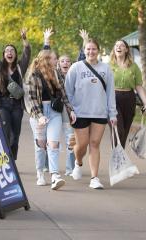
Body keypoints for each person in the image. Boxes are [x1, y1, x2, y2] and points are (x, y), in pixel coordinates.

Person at [65, 38, 117, 189]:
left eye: (94, 49)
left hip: (99, 112)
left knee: (95, 144)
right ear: (84, 50)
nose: (91, 52)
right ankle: (78, 162)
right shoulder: (76, 67)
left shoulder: (106, 69)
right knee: (82, 144)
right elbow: (67, 91)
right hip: (80, 112)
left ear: (98, 51)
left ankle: (94, 178)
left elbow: (110, 93)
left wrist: (112, 114)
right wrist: (71, 110)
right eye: (88, 49)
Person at [27, 49, 76, 190]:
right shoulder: (34, 76)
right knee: (40, 145)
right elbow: (32, 99)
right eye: (55, 59)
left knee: (53, 144)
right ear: (47, 60)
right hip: (39, 113)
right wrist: (40, 116)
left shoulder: (57, 74)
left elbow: (64, 95)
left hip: (55, 113)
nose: (57, 61)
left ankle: (55, 176)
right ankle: (40, 173)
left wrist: (71, 110)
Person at [0, 28, 31, 161]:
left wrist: (24, 38)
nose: (9, 52)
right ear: (4, 54)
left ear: (15, 54)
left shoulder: (21, 67)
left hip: (17, 106)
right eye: (7, 51)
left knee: (15, 136)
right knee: (5, 132)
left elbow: (27, 53)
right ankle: (5, 159)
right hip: (3, 104)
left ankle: (12, 160)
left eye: (12, 51)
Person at [44, 28, 75, 176]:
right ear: (57, 64)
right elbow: (46, 58)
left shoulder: (74, 74)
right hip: (56, 108)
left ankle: (71, 168)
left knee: (70, 138)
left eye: (67, 61)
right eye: (61, 60)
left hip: (69, 109)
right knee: (50, 138)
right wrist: (46, 41)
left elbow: (83, 60)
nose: (64, 63)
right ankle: (46, 165)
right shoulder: (54, 73)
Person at [110, 39, 146, 148]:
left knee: (125, 131)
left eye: (121, 45)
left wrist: (145, 102)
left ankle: (119, 159)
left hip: (129, 99)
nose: (118, 47)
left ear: (126, 49)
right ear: (114, 49)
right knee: (118, 130)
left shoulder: (134, 66)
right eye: (116, 45)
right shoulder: (108, 66)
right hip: (113, 98)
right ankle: (116, 155)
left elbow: (138, 86)